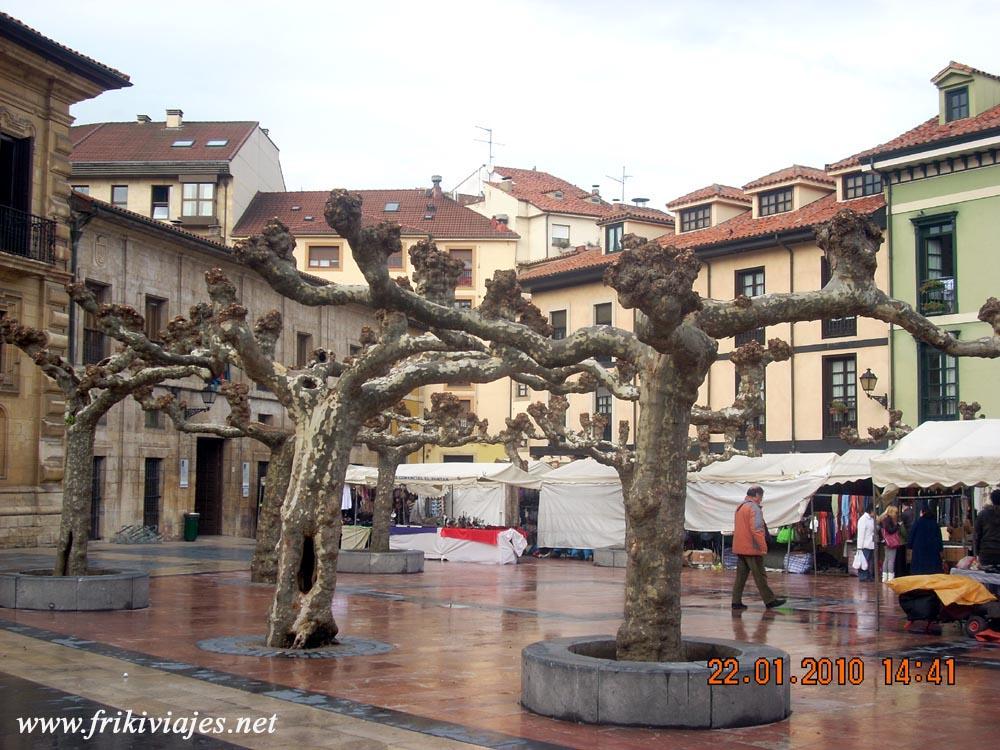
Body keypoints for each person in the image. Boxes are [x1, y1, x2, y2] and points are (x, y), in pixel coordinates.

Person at [731, 486, 785, 610]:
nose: (761, 499)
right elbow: (757, 529)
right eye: (761, 496)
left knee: (741, 577)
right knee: (760, 575)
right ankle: (769, 600)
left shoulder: (740, 507)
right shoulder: (754, 508)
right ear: (756, 495)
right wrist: (763, 546)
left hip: (740, 547)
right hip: (752, 548)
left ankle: (736, 601)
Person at [908, 503, 944, 574]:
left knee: (919, 572)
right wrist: (940, 549)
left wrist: (910, 546)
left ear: (922, 513)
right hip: (933, 551)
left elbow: (911, 535)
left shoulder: (917, 523)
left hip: (919, 551)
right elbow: (939, 538)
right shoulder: (935, 524)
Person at [975, 490, 1000, 569]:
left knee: (985, 577)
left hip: (986, 552)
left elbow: (977, 535)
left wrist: (977, 551)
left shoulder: (983, 514)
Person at [878, 505, 900, 582]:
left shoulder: (883, 519)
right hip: (891, 543)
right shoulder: (888, 520)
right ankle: (890, 577)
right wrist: (897, 526)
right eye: (896, 512)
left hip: (886, 542)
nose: (897, 514)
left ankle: (884, 577)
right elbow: (890, 531)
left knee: (886, 559)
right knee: (891, 560)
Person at [856, 504, 877, 582]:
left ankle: (868, 576)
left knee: (869, 561)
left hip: (871, 543)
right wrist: (859, 547)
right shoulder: (863, 519)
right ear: (871, 511)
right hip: (864, 544)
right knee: (863, 561)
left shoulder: (871, 519)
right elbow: (861, 534)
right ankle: (863, 576)